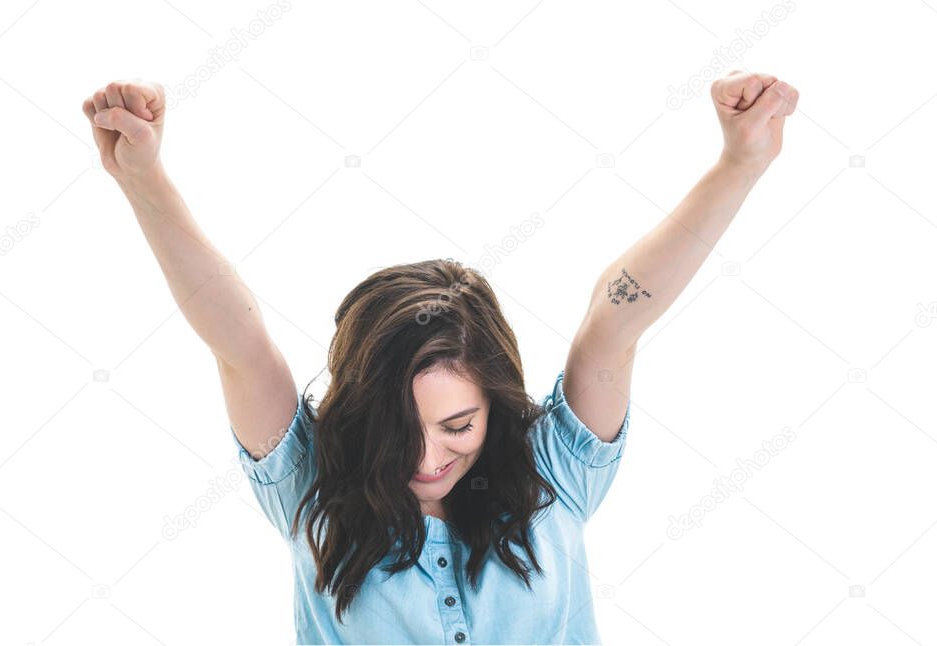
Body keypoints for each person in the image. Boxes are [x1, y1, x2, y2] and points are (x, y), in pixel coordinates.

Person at [81, 71, 799, 644]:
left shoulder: (555, 475)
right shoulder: (311, 488)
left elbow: (615, 323)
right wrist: (144, 180)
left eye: (458, 425)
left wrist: (739, 164)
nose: (426, 458)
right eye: (402, 426)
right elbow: (237, 342)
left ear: (495, 405)